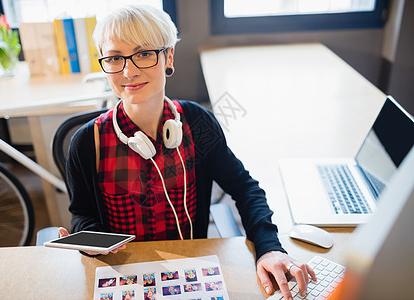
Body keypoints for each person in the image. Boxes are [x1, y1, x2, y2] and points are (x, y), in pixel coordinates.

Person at [58, 4, 315, 300]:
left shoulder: (197, 124)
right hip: (125, 277)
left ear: (168, 57)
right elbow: (83, 215)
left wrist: (269, 247)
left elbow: (246, 189)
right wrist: (91, 240)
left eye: (143, 54)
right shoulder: (88, 143)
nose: (128, 71)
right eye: (115, 58)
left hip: (191, 274)